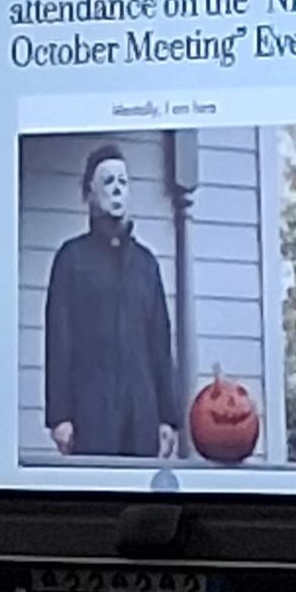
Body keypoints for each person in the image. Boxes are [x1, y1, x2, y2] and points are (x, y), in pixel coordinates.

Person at [44, 142, 180, 458]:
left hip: (141, 412)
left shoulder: (146, 264)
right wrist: (60, 416)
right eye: (107, 182)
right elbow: (59, 340)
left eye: (123, 182)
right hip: (91, 411)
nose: (117, 189)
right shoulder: (71, 259)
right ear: (88, 194)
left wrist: (167, 417)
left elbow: (159, 344)